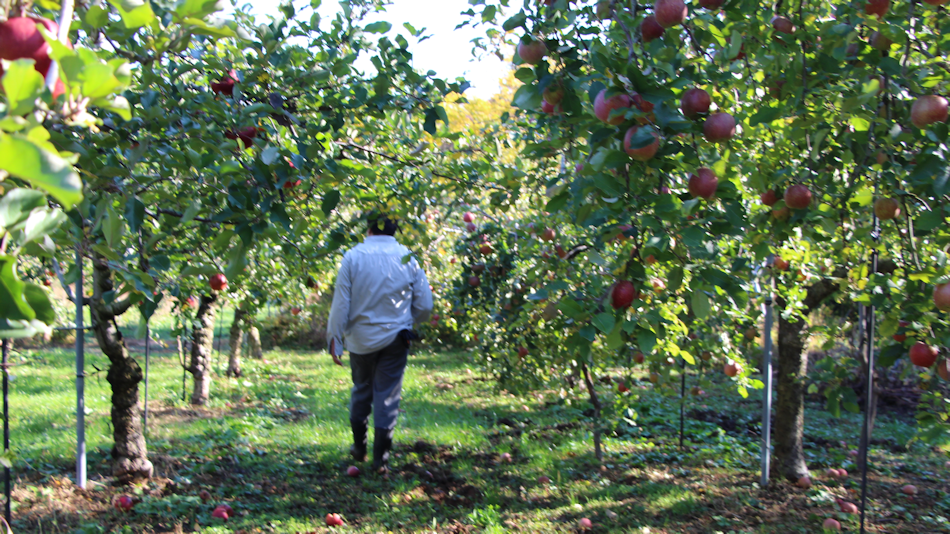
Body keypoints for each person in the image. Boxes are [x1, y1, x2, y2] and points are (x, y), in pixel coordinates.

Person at [326, 215, 433, 473]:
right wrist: (408, 320)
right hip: (396, 337)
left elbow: (341, 303)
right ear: (396, 230)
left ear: (369, 228)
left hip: (360, 339)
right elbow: (426, 305)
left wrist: (335, 338)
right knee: (387, 396)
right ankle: (380, 460)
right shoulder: (408, 257)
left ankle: (359, 448)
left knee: (362, 389)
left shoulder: (353, 256)